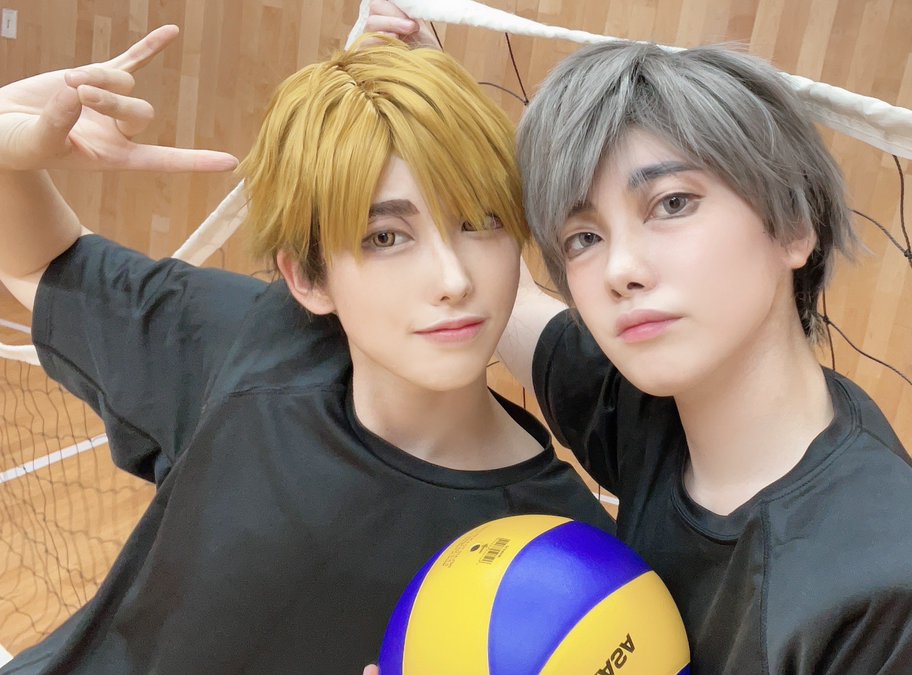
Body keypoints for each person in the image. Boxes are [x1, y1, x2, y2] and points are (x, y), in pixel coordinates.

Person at [0, 25, 612, 673]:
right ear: (308, 280)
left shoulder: (563, 561)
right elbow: (46, 264)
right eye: (385, 237)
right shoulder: (256, 345)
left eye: (480, 220)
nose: (453, 279)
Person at [498, 38, 912, 673]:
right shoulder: (647, 413)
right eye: (584, 237)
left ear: (792, 225)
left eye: (672, 203)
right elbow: (515, 305)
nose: (620, 269)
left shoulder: (905, 604)